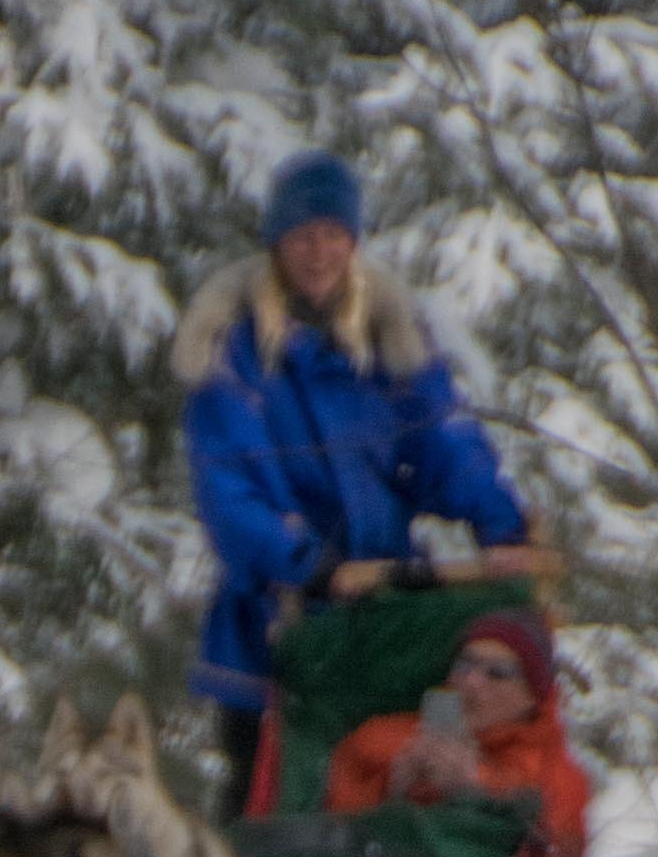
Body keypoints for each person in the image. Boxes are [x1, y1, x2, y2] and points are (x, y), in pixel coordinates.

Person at [176, 154, 535, 808]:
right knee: (269, 795)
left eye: (332, 235)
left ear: (352, 241)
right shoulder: (234, 351)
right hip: (273, 623)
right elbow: (229, 488)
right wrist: (305, 563)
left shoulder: (387, 338)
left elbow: (440, 437)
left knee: (387, 772)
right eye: (303, 236)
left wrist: (498, 522)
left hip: (379, 612)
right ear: (277, 242)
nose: (318, 253)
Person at [322, 605, 590, 857]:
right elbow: (328, 829)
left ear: (531, 696)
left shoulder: (556, 773)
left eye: (497, 673)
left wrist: (479, 785)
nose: (471, 682)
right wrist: (392, 789)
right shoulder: (384, 738)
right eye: (464, 665)